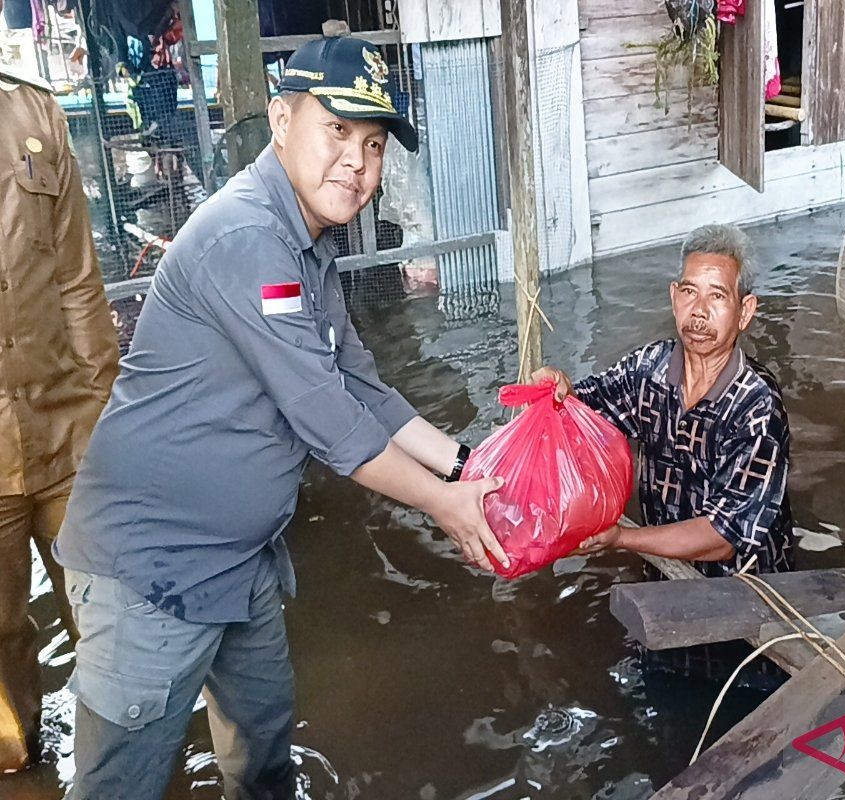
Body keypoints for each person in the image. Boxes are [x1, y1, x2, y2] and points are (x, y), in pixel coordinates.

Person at [53, 32, 508, 799]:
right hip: (153, 569)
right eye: (338, 131)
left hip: (245, 559)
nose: (358, 164)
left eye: (373, 145)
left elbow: (362, 384)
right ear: (281, 120)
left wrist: (468, 465)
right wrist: (446, 507)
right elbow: (329, 422)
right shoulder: (248, 236)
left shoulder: (308, 243)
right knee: (119, 786)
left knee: (264, 762)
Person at [533, 223, 795, 685]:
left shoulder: (757, 406)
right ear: (674, 297)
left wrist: (620, 539)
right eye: (690, 292)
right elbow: (583, 410)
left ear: (745, 310)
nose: (699, 311)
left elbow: (724, 536)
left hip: (746, 601)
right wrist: (558, 390)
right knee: (668, 693)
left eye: (718, 296)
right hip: (666, 584)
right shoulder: (648, 369)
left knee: (745, 699)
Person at [0, 54, 120, 772]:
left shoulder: (35, 114)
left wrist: (106, 419)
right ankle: (19, 762)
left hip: (68, 429)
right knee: (1, 633)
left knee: (109, 615)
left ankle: (128, 766)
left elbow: (79, 278)